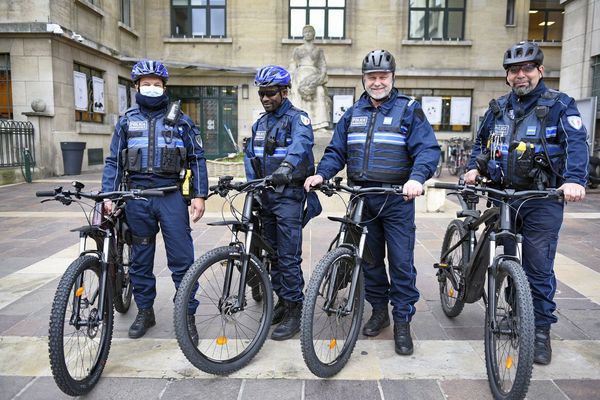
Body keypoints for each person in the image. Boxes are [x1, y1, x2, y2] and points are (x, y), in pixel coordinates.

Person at [304, 50, 440, 356]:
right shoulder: (353, 113)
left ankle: (402, 322)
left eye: (383, 77)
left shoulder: (409, 110)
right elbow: (336, 151)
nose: (377, 82)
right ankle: (379, 311)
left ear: (392, 77)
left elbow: (428, 150)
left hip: (396, 199)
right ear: (364, 79)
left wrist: (417, 178)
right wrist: (322, 174)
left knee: (402, 264)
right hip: (363, 198)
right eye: (371, 77)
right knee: (371, 262)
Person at [464, 41, 589, 365]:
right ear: (507, 76)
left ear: (540, 71)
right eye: (514, 70)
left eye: (526, 69)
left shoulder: (559, 105)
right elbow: (481, 143)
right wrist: (474, 167)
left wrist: (574, 180)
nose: (520, 75)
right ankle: (515, 307)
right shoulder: (498, 108)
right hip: (503, 195)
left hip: (542, 198)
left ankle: (540, 330)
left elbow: (576, 144)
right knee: (506, 258)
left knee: (537, 266)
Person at [101, 59, 208, 341]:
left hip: (170, 196)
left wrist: (199, 194)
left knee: (182, 259)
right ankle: (145, 311)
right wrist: (110, 196)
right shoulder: (126, 121)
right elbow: (113, 161)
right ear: (136, 86)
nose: (151, 88)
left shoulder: (182, 120)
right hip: (137, 198)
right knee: (140, 259)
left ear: (164, 87)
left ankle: (187, 313)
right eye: (146, 84)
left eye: (156, 84)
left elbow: (197, 159)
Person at [244, 65, 318, 340]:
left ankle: (295, 309)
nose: (265, 98)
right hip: (265, 196)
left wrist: (287, 166)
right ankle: (282, 301)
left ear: (284, 92)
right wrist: (251, 185)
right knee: (272, 254)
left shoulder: (299, 119)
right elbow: (251, 155)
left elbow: (302, 144)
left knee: (288, 256)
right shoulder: (260, 124)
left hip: (288, 196)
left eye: (271, 93)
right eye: (262, 93)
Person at [288, 25, 331, 130]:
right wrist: (290, 78)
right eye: (306, 32)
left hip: (314, 75)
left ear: (314, 34)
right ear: (303, 34)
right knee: (297, 97)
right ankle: (298, 124)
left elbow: (322, 64)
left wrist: (322, 75)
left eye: (310, 32)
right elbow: (292, 64)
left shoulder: (318, 50)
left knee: (320, 93)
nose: (307, 33)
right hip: (300, 76)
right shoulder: (297, 49)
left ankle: (319, 124)